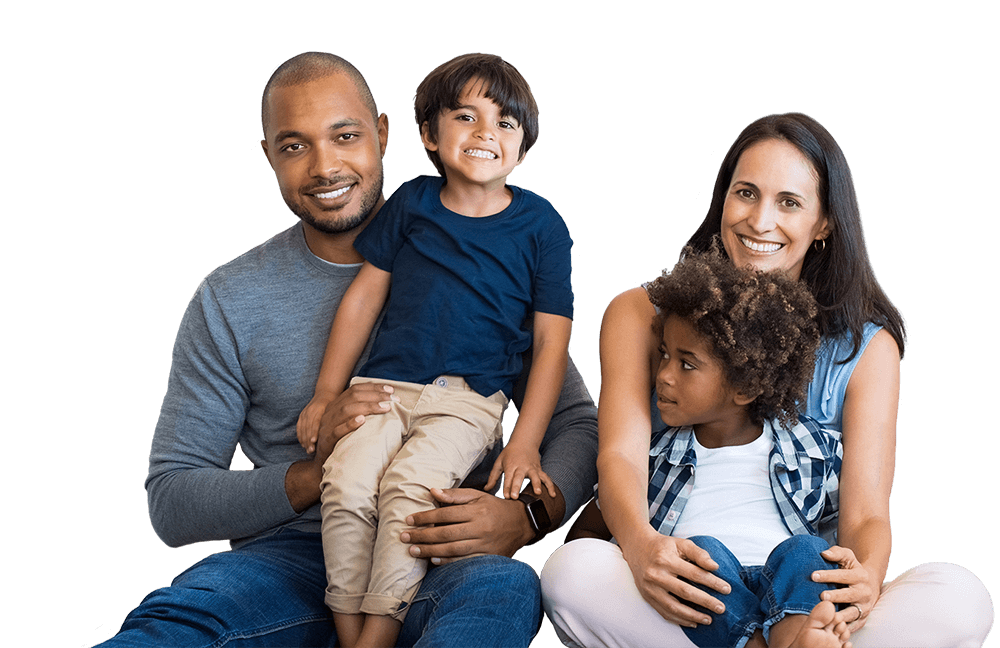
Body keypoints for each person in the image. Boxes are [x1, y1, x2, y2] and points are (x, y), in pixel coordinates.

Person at [101, 52, 597, 648]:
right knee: (177, 621)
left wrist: (525, 518)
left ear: (384, 134)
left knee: (502, 592)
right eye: (294, 146)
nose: (325, 166)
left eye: (345, 136)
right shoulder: (228, 298)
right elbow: (172, 502)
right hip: (287, 557)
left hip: (437, 546)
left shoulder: (488, 252)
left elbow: (576, 420)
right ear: (267, 156)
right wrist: (319, 474)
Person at [541, 112, 993, 647]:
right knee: (571, 571)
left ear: (825, 222)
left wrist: (865, 580)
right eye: (746, 193)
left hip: (802, 590)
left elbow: (867, 512)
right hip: (686, 585)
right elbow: (618, 456)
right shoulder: (640, 312)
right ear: (722, 198)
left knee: (961, 597)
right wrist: (641, 550)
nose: (759, 221)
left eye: (789, 202)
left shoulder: (866, 347)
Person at [294, 53, 574, 648]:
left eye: (505, 123)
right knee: (344, 482)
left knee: (408, 489)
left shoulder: (541, 226)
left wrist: (525, 440)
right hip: (385, 390)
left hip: (467, 403)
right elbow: (363, 300)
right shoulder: (412, 203)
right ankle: (351, 632)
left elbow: (552, 341)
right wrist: (326, 394)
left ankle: (379, 630)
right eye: (466, 116)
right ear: (428, 133)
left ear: (522, 149)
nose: (484, 134)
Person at [565, 245, 854, 648]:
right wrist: (606, 567)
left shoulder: (811, 447)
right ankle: (757, 642)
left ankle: (796, 634)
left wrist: (856, 564)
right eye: (663, 355)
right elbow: (591, 529)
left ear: (747, 387)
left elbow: (852, 523)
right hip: (707, 596)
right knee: (700, 553)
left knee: (808, 551)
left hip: (783, 586)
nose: (663, 375)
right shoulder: (653, 457)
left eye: (686, 364)